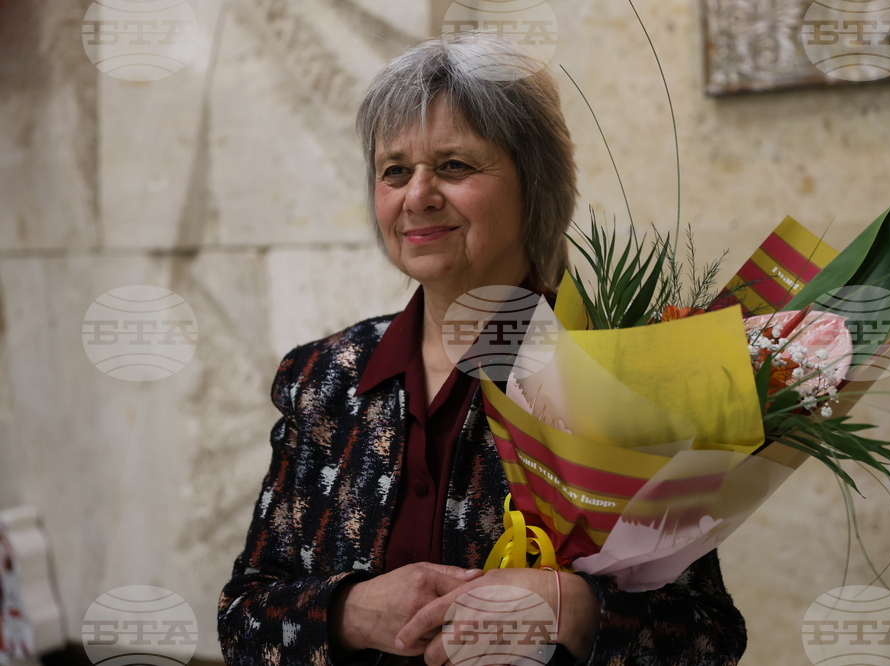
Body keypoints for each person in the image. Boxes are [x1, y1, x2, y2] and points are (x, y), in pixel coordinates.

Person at [218, 31, 747, 666]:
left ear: (534, 186)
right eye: (394, 171)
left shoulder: (612, 371)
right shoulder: (325, 376)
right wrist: (350, 611)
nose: (417, 196)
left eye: (454, 165)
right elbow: (243, 618)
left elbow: (708, 639)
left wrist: (571, 610)